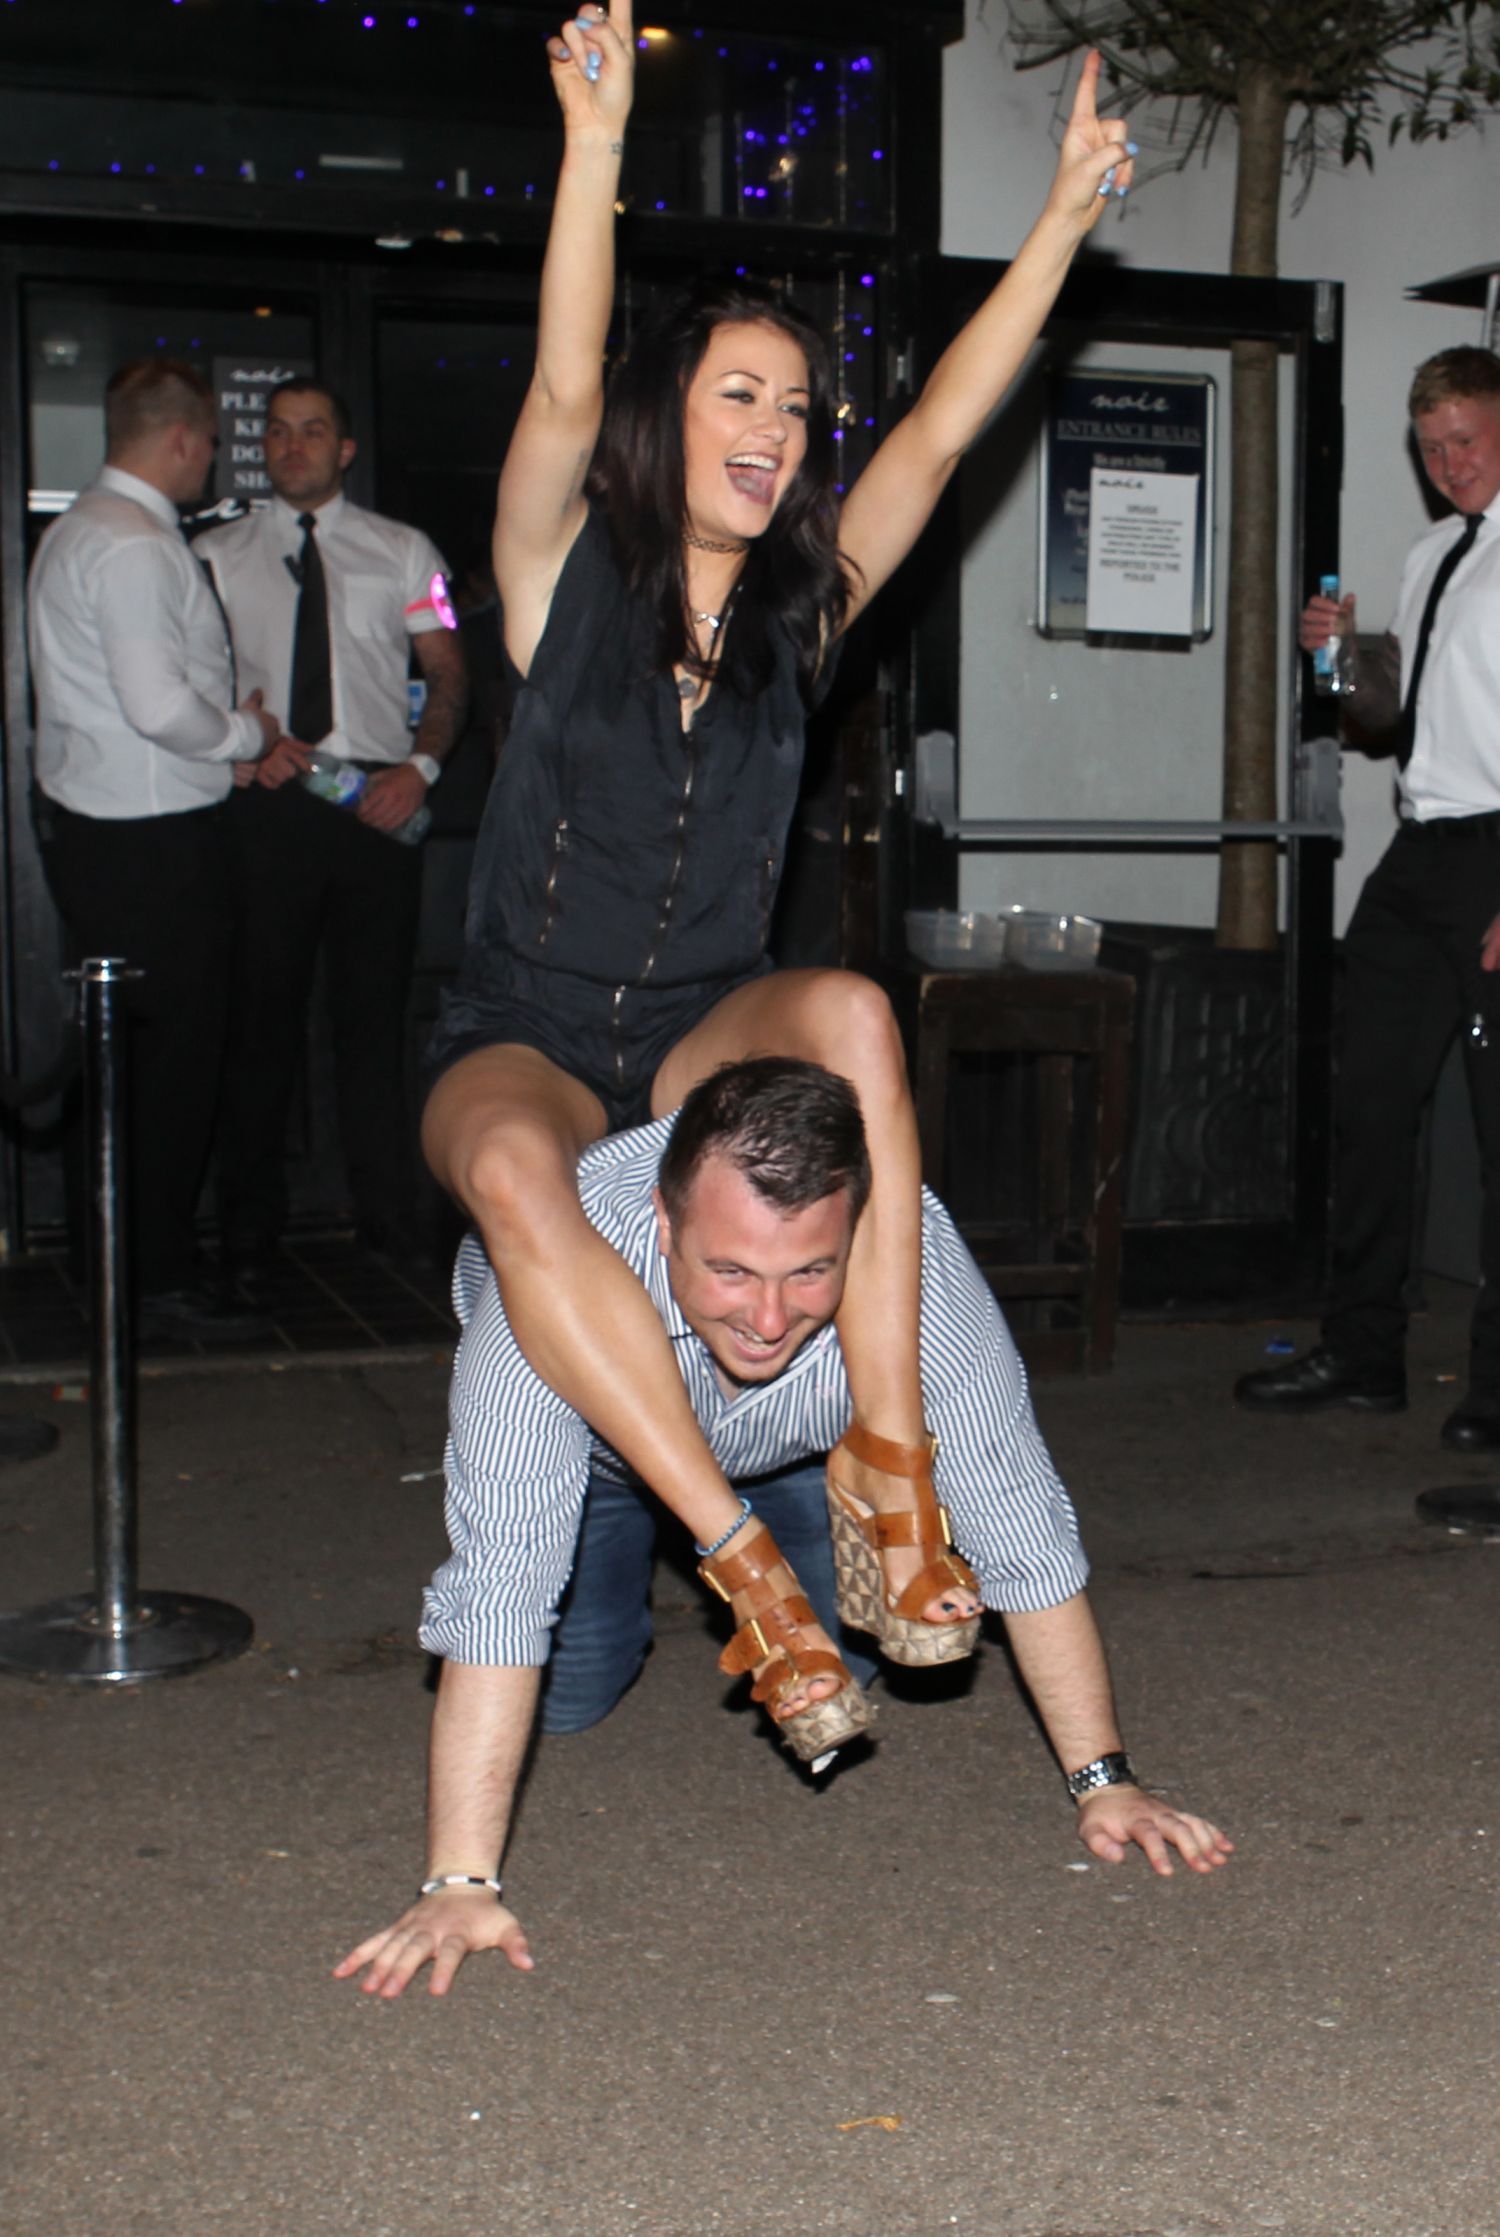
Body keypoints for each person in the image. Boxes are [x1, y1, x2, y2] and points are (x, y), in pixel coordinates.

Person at [420, 0, 1136, 1762]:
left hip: (695, 1024)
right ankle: (734, 1553)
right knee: (513, 1174)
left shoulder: (797, 621)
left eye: (798, 407)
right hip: (525, 1020)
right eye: (738, 393)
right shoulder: (560, 575)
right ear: (672, 416)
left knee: (854, 1014)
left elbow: (942, 438)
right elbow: (563, 384)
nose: (777, 426)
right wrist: (595, 149)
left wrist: (1059, 223)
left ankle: (885, 1468)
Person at [337, 1058, 1232, 1999]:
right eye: (730, 1270)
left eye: (810, 1271)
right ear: (663, 1222)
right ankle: (636, 1553)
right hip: (599, 1461)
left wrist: (1106, 1780)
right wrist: (459, 1883)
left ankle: (802, 1508)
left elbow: (1022, 1529)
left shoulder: (916, 1268)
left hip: (800, 1450)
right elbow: (499, 1589)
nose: (768, 1318)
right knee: (569, 1689)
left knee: (855, 1663)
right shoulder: (546, 1289)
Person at [1236, 346, 1500, 1452]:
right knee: (1370, 1100)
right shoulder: (1434, 552)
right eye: (1431, 447)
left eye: (1466, 440)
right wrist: (1339, 660)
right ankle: (1363, 1351)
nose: (1448, 464)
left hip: (1495, 851)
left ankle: (1497, 1388)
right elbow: (1385, 721)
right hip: (1421, 848)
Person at [29, 358, 279, 1341]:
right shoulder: (133, 543)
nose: (211, 456)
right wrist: (247, 733)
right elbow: (159, 707)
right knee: (173, 1065)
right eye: (210, 440)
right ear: (179, 438)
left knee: (125, 1063)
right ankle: (159, 1280)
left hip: (109, 832)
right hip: (152, 843)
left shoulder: (79, 529)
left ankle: (118, 1262)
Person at [196, 379, 469, 1275]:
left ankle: (388, 1216)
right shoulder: (215, 553)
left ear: (345, 450)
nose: (293, 446)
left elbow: (448, 667)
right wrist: (236, 750)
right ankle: (248, 1227)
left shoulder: (406, 550)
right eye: (278, 432)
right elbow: (190, 681)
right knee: (258, 1021)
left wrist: (420, 769)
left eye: (313, 431)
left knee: (373, 1021)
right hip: (268, 805)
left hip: (373, 805)